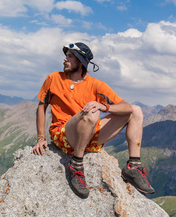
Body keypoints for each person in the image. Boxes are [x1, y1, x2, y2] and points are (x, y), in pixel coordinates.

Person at [31, 42, 155, 198]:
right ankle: (76, 165)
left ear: (81, 61)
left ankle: (133, 167)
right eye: (66, 55)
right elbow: (42, 106)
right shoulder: (54, 78)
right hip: (63, 134)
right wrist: (40, 138)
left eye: (70, 56)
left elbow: (126, 107)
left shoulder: (96, 85)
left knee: (136, 110)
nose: (65, 59)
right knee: (92, 113)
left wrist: (104, 107)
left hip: (87, 135)